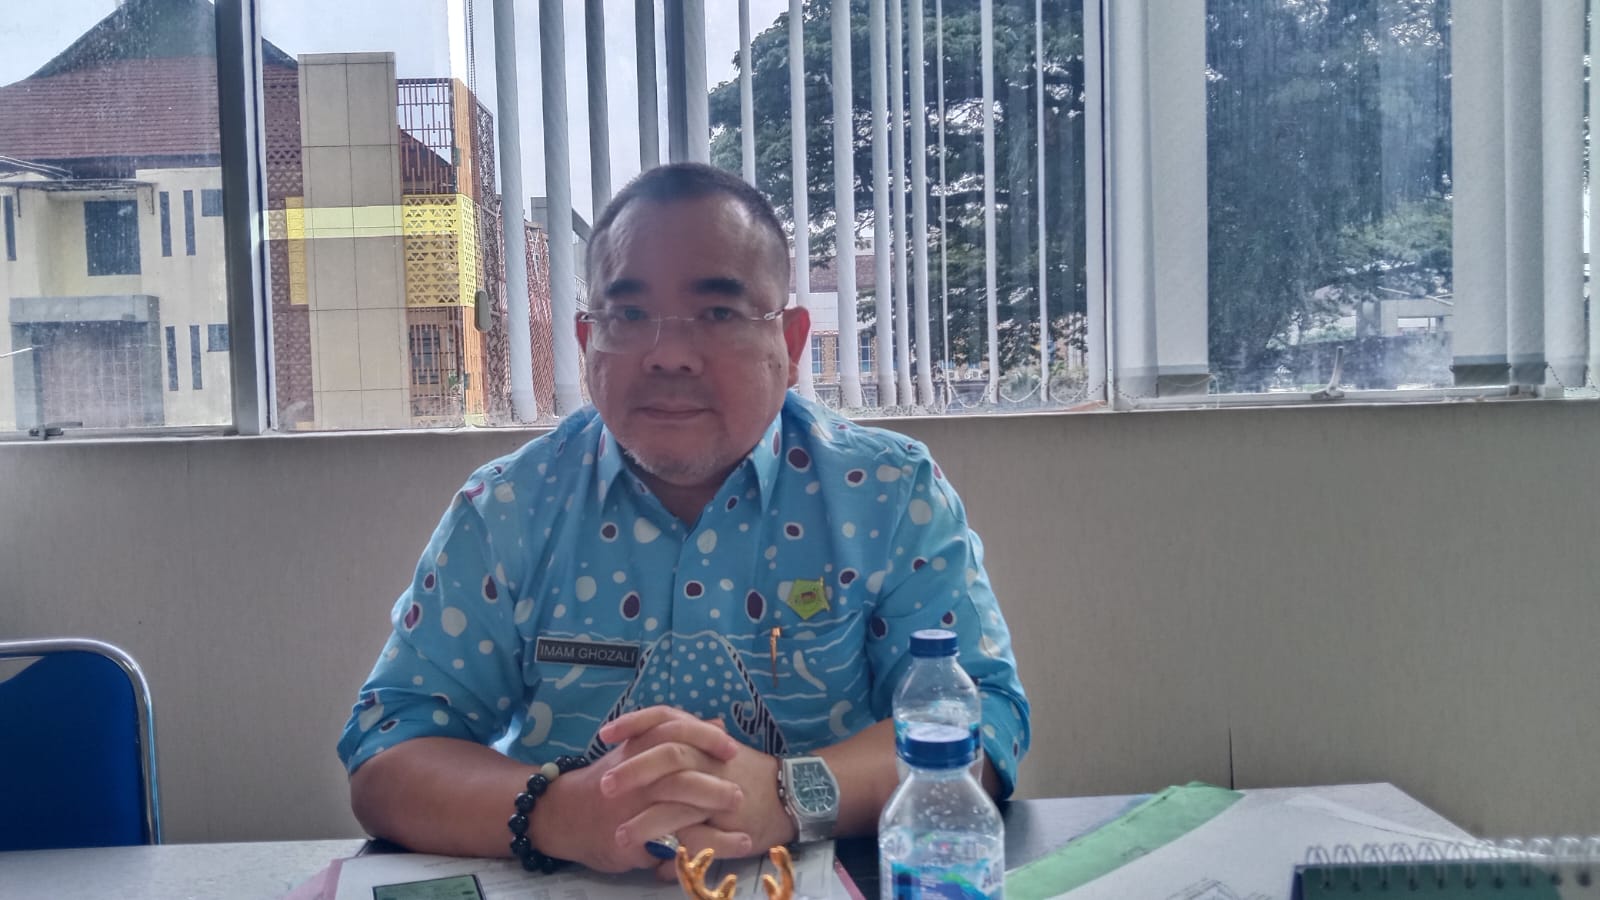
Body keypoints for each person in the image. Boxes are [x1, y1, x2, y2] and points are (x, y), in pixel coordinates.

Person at [337, 162, 1030, 878]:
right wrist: (559, 812)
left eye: (719, 313)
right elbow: (389, 748)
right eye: (629, 316)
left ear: (791, 345)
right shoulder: (506, 511)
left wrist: (790, 794)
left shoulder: (887, 495)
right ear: (587, 341)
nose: (668, 354)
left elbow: (984, 719)